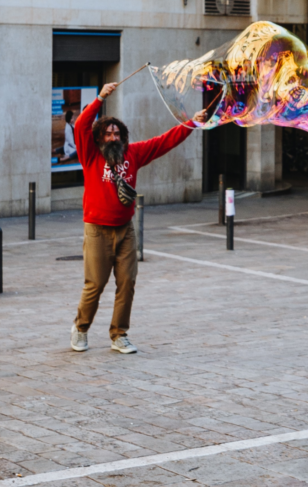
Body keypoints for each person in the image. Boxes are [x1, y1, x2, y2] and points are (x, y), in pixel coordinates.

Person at [70, 82, 206, 354]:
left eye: (117, 133)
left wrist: (192, 123)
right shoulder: (90, 155)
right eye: (107, 133)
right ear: (99, 138)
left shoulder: (133, 154)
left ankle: (119, 334)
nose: (112, 137)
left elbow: (165, 141)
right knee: (95, 284)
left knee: (127, 283)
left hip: (125, 230)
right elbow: (81, 125)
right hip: (97, 229)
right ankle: (81, 328)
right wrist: (99, 98)